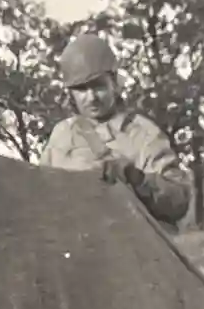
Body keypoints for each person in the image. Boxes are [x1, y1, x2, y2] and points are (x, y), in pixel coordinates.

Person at [40, 33, 191, 229]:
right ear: (71, 93)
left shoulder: (143, 133)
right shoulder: (62, 135)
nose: (91, 97)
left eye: (98, 86)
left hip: (132, 243)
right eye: (81, 89)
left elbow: (179, 200)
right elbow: (42, 196)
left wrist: (136, 178)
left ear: (114, 83)